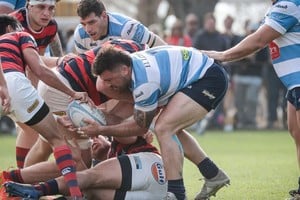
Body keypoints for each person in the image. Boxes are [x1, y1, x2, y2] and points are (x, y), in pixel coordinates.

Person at [71, 45, 231, 200]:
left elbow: (140, 128)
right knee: (168, 126)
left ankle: (176, 194)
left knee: (164, 128)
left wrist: (101, 129)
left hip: (207, 78)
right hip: (194, 73)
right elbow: (104, 88)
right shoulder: (129, 68)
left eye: (110, 79)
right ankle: (213, 174)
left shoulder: (145, 84)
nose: (108, 85)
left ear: (124, 70)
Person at [201, 0, 300, 199]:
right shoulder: (277, 7)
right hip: (294, 84)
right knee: (296, 133)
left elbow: (258, 41)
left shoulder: (289, 4)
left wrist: (223, 55)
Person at [0, 14, 91, 199]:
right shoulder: (20, 36)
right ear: (10, 29)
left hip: (9, 89)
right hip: (12, 85)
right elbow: (40, 70)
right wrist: (72, 93)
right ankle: (75, 194)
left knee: (36, 132)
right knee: (59, 142)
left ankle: (14, 184)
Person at [23, 39, 146, 167]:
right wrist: (140, 128)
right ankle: (24, 180)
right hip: (64, 89)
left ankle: (18, 181)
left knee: (45, 145)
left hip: (59, 81)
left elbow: (118, 112)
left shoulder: (129, 47)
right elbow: (102, 86)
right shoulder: (138, 70)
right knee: (82, 160)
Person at [3, 133, 167, 200]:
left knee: (88, 179)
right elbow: (79, 184)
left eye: (97, 137)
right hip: (151, 196)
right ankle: (28, 189)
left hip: (154, 172)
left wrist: (99, 126)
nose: (94, 141)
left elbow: (131, 130)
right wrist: (75, 151)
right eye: (91, 141)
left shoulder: (120, 141)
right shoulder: (98, 167)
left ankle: (36, 188)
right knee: (87, 188)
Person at [8, 0, 65, 169]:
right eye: (41, 7)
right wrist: (62, 61)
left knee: (32, 129)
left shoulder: (51, 27)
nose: (46, 13)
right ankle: (22, 179)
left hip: (14, 83)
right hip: (7, 83)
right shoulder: (13, 23)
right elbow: (34, 62)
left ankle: (22, 180)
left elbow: (35, 63)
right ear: (29, 6)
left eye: (51, 8)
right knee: (42, 130)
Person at [73, 0, 166, 54]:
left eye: (92, 22)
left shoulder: (127, 28)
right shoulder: (80, 35)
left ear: (104, 16)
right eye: (83, 24)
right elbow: (84, 67)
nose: (88, 29)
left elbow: (159, 45)